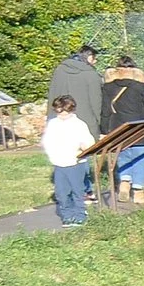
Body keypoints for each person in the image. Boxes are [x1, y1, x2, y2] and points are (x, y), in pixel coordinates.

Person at [101, 54, 144, 206]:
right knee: (140, 158)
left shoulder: (108, 86)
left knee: (123, 156)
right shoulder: (139, 85)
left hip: (118, 128)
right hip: (139, 128)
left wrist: (103, 130)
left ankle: (124, 184)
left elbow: (105, 110)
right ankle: (138, 193)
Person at [42, 95, 94, 226]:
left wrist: (84, 147)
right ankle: (67, 215)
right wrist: (52, 156)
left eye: (65, 113)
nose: (62, 116)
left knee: (77, 191)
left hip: (76, 163)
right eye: (59, 112)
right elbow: (47, 141)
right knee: (61, 192)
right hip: (60, 163)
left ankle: (80, 215)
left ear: (72, 110)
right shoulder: (53, 124)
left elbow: (88, 141)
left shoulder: (79, 124)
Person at [47, 43, 103, 137]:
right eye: (94, 58)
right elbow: (96, 102)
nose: (95, 61)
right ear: (89, 57)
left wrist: (50, 118)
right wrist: (97, 122)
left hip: (60, 120)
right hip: (86, 123)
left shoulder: (59, 70)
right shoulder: (91, 74)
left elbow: (52, 95)